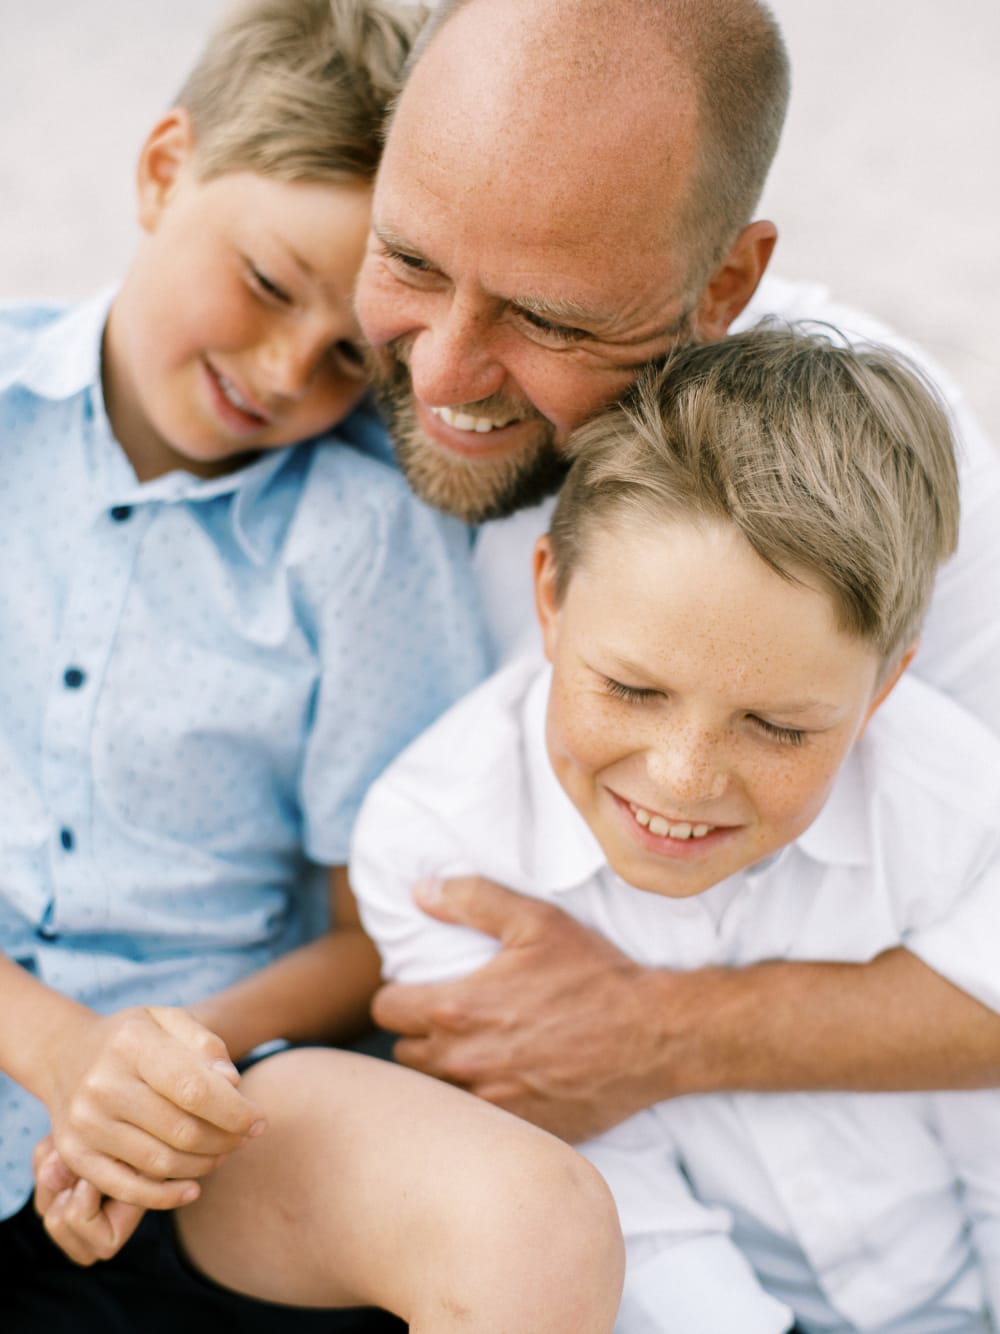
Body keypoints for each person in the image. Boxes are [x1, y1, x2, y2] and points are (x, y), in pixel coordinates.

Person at [1, 1, 625, 1330]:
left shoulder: (360, 537)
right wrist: (63, 1053)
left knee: (532, 1218)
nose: (285, 370)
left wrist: (169, 1065)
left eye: (352, 353)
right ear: (166, 168)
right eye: (270, 281)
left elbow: (368, 931)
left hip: (226, 1093)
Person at [351, 0, 1000, 1142]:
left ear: (724, 284)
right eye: (407, 257)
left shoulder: (862, 464)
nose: (442, 371)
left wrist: (658, 1031)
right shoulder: (282, 371)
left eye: (548, 318)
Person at [353, 325, 1000, 1333]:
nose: (683, 778)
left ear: (885, 687)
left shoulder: (956, 800)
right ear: (551, 597)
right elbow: (609, 1190)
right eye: (631, 688)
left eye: (779, 725)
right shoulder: (437, 838)